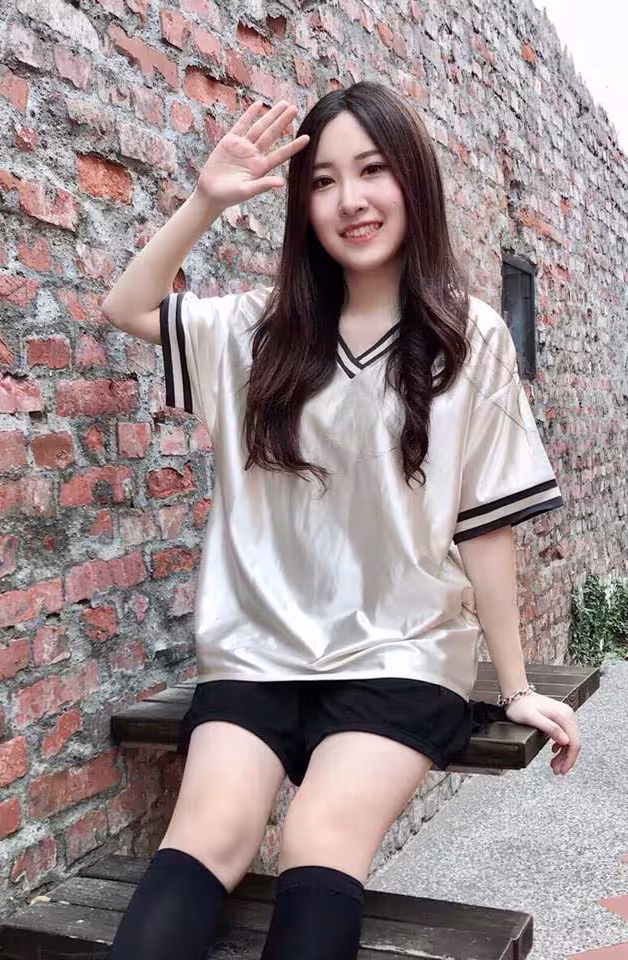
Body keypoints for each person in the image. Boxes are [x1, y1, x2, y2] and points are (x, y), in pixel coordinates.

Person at [101, 81, 581, 960]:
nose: (349, 200)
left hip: (400, 653)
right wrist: (206, 200)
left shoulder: (469, 336)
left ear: (413, 181)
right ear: (302, 203)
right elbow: (126, 306)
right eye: (322, 181)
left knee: (319, 837)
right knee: (207, 833)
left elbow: (485, 526)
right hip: (257, 648)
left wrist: (514, 686)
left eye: (372, 170)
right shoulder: (256, 328)